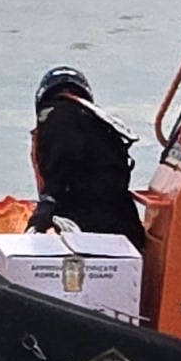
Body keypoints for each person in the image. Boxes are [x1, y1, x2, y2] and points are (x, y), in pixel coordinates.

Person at [26, 66, 145, 244]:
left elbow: (64, 155)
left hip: (84, 226)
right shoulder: (100, 124)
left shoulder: (55, 115)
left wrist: (48, 203)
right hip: (123, 226)